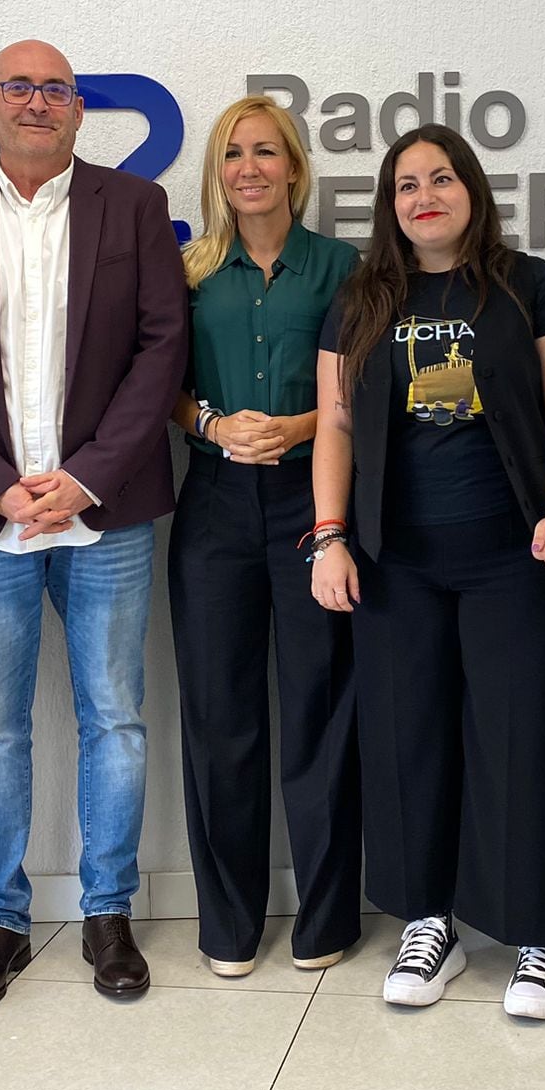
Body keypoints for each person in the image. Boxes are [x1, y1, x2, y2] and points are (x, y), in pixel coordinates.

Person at [0, 39, 188, 1007]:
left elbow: (160, 348)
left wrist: (87, 476)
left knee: (116, 718)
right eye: (17, 88)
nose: (36, 102)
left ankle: (107, 912)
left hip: (106, 512)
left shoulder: (133, 206)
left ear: (76, 110)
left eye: (54, 89)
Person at [311, 123, 545, 1021]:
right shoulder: (360, 298)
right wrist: (328, 537)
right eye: (406, 184)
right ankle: (430, 921)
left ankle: (538, 932)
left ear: (471, 189)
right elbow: (336, 426)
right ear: (389, 204)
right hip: (397, 561)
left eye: (440, 179)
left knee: (524, 739)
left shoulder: (527, 284)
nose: (423, 196)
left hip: (516, 552)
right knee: (407, 742)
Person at [168, 96, 361, 978]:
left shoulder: (343, 269)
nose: (249, 168)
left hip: (311, 502)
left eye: (265, 152)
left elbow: (366, 389)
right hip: (213, 505)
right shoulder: (190, 273)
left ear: (294, 167)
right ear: (218, 173)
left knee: (319, 709)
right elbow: (159, 391)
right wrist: (211, 424)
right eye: (232, 154)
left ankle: (326, 919)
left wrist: (299, 427)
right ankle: (229, 926)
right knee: (219, 717)